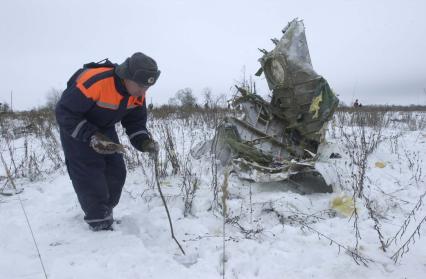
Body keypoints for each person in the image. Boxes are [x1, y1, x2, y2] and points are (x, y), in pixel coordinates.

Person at [56, 52, 160, 231]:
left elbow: (135, 123)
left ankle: (105, 210)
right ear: (127, 76)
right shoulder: (95, 82)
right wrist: (91, 137)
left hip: (105, 128)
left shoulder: (138, 94)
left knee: (116, 171)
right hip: (77, 127)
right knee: (90, 173)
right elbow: (64, 112)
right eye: (140, 86)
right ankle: (98, 221)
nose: (143, 92)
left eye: (147, 87)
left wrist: (144, 142)